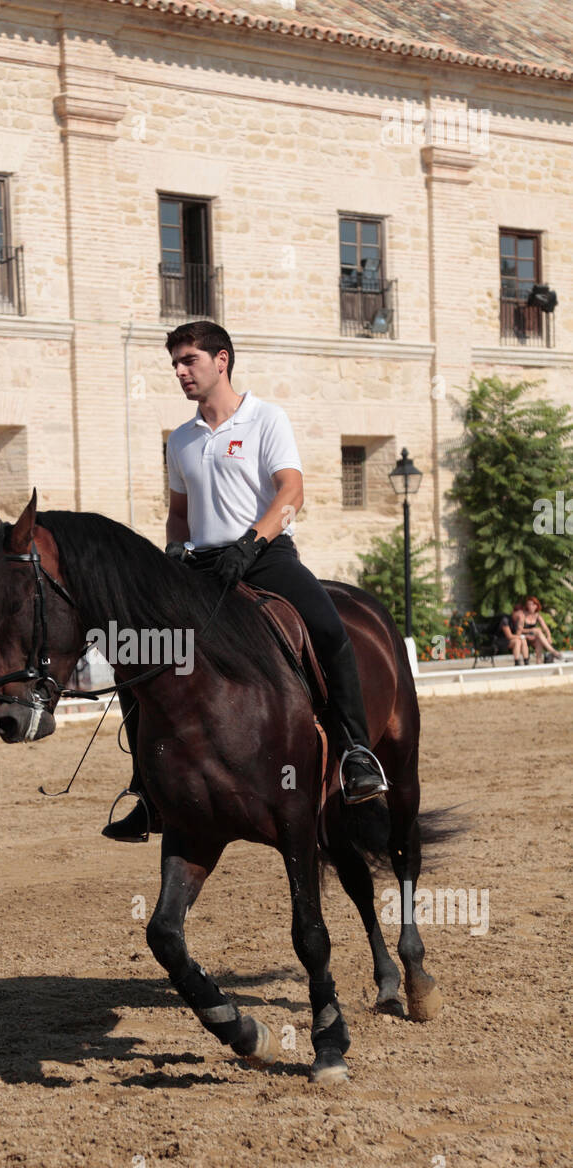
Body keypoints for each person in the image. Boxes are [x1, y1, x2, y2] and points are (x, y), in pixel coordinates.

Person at [103, 319, 387, 843]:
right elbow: (178, 514)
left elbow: (292, 492)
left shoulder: (265, 419)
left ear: (222, 360)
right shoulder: (181, 440)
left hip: (264, 556)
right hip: (201, 569)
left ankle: (357, 753)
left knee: (328, 630)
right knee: (136, 650)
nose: (180, 372)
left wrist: (251, 542)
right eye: (175, 364)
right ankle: (147, 791)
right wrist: (172, 556)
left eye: (189, 360)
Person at [519, 595, 563, 663]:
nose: (531, 606)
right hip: (523, 636)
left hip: (534, 637)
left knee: (538, 638)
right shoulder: (523, 615)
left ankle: (538, 661)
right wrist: (532, 630)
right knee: (538, 630)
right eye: (529, 604)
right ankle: (553, 651)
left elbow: (546, 628)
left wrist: (549, 636)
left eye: (532, 604)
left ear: (536, 606)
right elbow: (520, 630)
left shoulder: (537, 615)